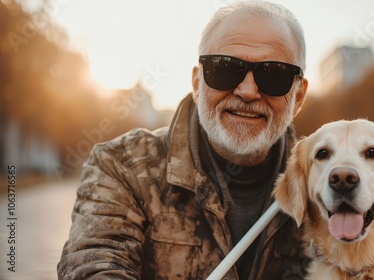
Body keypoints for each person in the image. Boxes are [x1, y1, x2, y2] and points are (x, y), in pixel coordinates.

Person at [57, 1, 309, 279]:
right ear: (197, 84)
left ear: (298, 97)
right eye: (224, 68)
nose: (248, 91)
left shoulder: (332, 182)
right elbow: (92, 267)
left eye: (274, 74)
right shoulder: (121, 166)